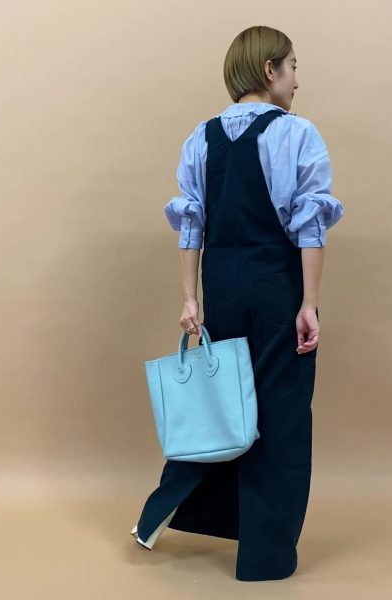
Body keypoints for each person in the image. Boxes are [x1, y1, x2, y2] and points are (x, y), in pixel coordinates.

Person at [130, 25, 344, 581]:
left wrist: (190, 300)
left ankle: (161, 512)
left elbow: (191, 223)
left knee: (222, 406)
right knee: (280, 416)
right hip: (276, 288)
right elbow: (310, 225)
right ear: (270, 70)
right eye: (293, 67)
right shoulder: (296, 134)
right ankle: (265, 558)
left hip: (222, 288)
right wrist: (309, 304)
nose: (297, 81)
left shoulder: (200, 139)